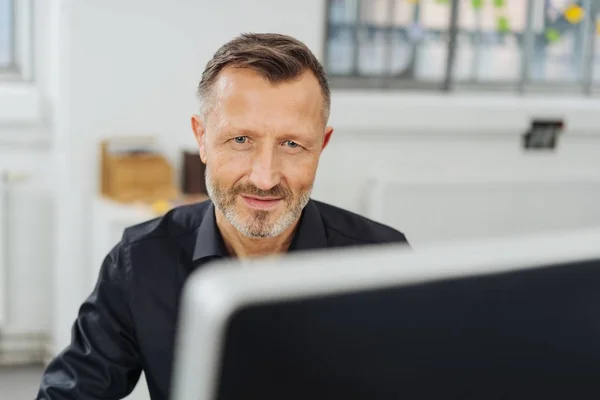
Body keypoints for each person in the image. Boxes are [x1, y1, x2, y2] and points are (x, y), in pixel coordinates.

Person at [36, 33, 409, 400]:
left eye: (292, 144)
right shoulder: (140, 261)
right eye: (241, 140)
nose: (264, 178)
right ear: (202, 138)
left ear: (321, 146)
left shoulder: (383, 264)